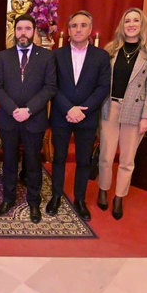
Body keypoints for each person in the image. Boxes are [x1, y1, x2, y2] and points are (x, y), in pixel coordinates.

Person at [0, 14, 57, 224]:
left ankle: (34, 202)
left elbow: (50, 87)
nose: (23, 33)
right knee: (9, 161)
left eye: (27, 29)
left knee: (33, 162)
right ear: (14, 32)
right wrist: (13, 109)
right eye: (19, 28)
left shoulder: (46, 56)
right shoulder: (4, 56)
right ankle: (8, 198)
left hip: (34, 119)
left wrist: (28, 110)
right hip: (9, 118)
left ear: (34, 32)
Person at [48, 11, 111, 221]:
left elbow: (103, 87)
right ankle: (56, 196)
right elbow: (52, 85)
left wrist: (83, 109)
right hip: (61, 115)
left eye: (83, 25)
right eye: (74, 25)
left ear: (90, 29)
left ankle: (80, 199)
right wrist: (69, 108)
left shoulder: (101, 56)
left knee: (84, 160)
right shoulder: (56, 55)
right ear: (69, 30)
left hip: (87, 116)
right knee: (59, 158)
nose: (78, 29)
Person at [97, 8, 147, 220]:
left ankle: (119, 196)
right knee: (106, 154)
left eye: (135, 21)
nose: (131, 24)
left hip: (135, 110)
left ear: (142, 25)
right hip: (110, 107)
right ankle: (103, 189)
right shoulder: (111, 50)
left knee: (127, 159)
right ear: (122, 26)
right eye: (127, 21)